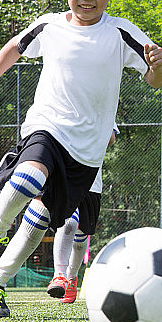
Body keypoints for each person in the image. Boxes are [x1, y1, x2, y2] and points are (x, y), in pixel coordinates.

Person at [0, 0, 162, 318]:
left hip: (86, 152)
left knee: (39, 220)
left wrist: (156, 65)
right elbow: (13, 48)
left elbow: (154, 82)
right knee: (29, 177)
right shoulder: (50, 25)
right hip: (47, 126)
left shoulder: (122, 32)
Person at [47, 124, 118, 304]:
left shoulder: (103, 106)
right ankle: (59, 275)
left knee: (81, 234)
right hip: (66, 177)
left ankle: (72, 277)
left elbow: (110, 139)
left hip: (91, 181)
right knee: (68, 223)